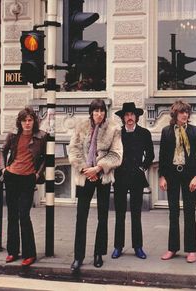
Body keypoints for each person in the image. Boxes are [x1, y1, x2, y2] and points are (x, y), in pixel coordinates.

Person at [68, 99, 123, 272]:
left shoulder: (113, 129)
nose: (99, 114)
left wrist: (98, 168)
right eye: (96, 111)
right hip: (85, 176)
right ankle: (78, 256)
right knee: (81, 217)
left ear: (105, 113)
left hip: (102, 176)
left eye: (102, 111)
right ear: (91, 112)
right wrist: (86, 169)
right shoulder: (81, 126)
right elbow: (74, 149)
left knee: (103, 217)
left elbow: (117, 154)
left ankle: (98, 254)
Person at [0, 107, 47, 266]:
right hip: (12, 177)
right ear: (20, 122)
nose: (27, 123)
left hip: (28, 179)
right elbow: (2, 152)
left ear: (34, 121)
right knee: (12, 215)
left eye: (30, 120)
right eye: (24, 120)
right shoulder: (13, 137)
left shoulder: (41, 137)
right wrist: (3, 169)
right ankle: (13, 251)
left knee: (24, 215)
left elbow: (48, 158)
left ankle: (30, 254)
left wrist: (38, 174)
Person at [159, 100, 196, 263]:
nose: (185, 115)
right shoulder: (166, 132)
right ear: (175, 114)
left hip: (189, 175)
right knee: (173, 212)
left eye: (187, 112)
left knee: (189, 212)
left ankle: (192, 250)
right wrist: (162, 176)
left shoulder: (195, 131)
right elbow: (163, 156)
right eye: (182, 112)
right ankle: (172, 248)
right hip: (172, 175)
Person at [111, 102, 154, 260]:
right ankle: (118, 246)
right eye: (126, 115)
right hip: (120, 177)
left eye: (132, 115)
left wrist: (142, 168)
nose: (129, 118)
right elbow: (112, 153)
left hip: (137, 178)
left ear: (136, 117)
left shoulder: (144, 133)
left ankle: (138, 247)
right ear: (123, 118)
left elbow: (150, 155)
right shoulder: (117, 133)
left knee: (136, 214)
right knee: (120, 214)